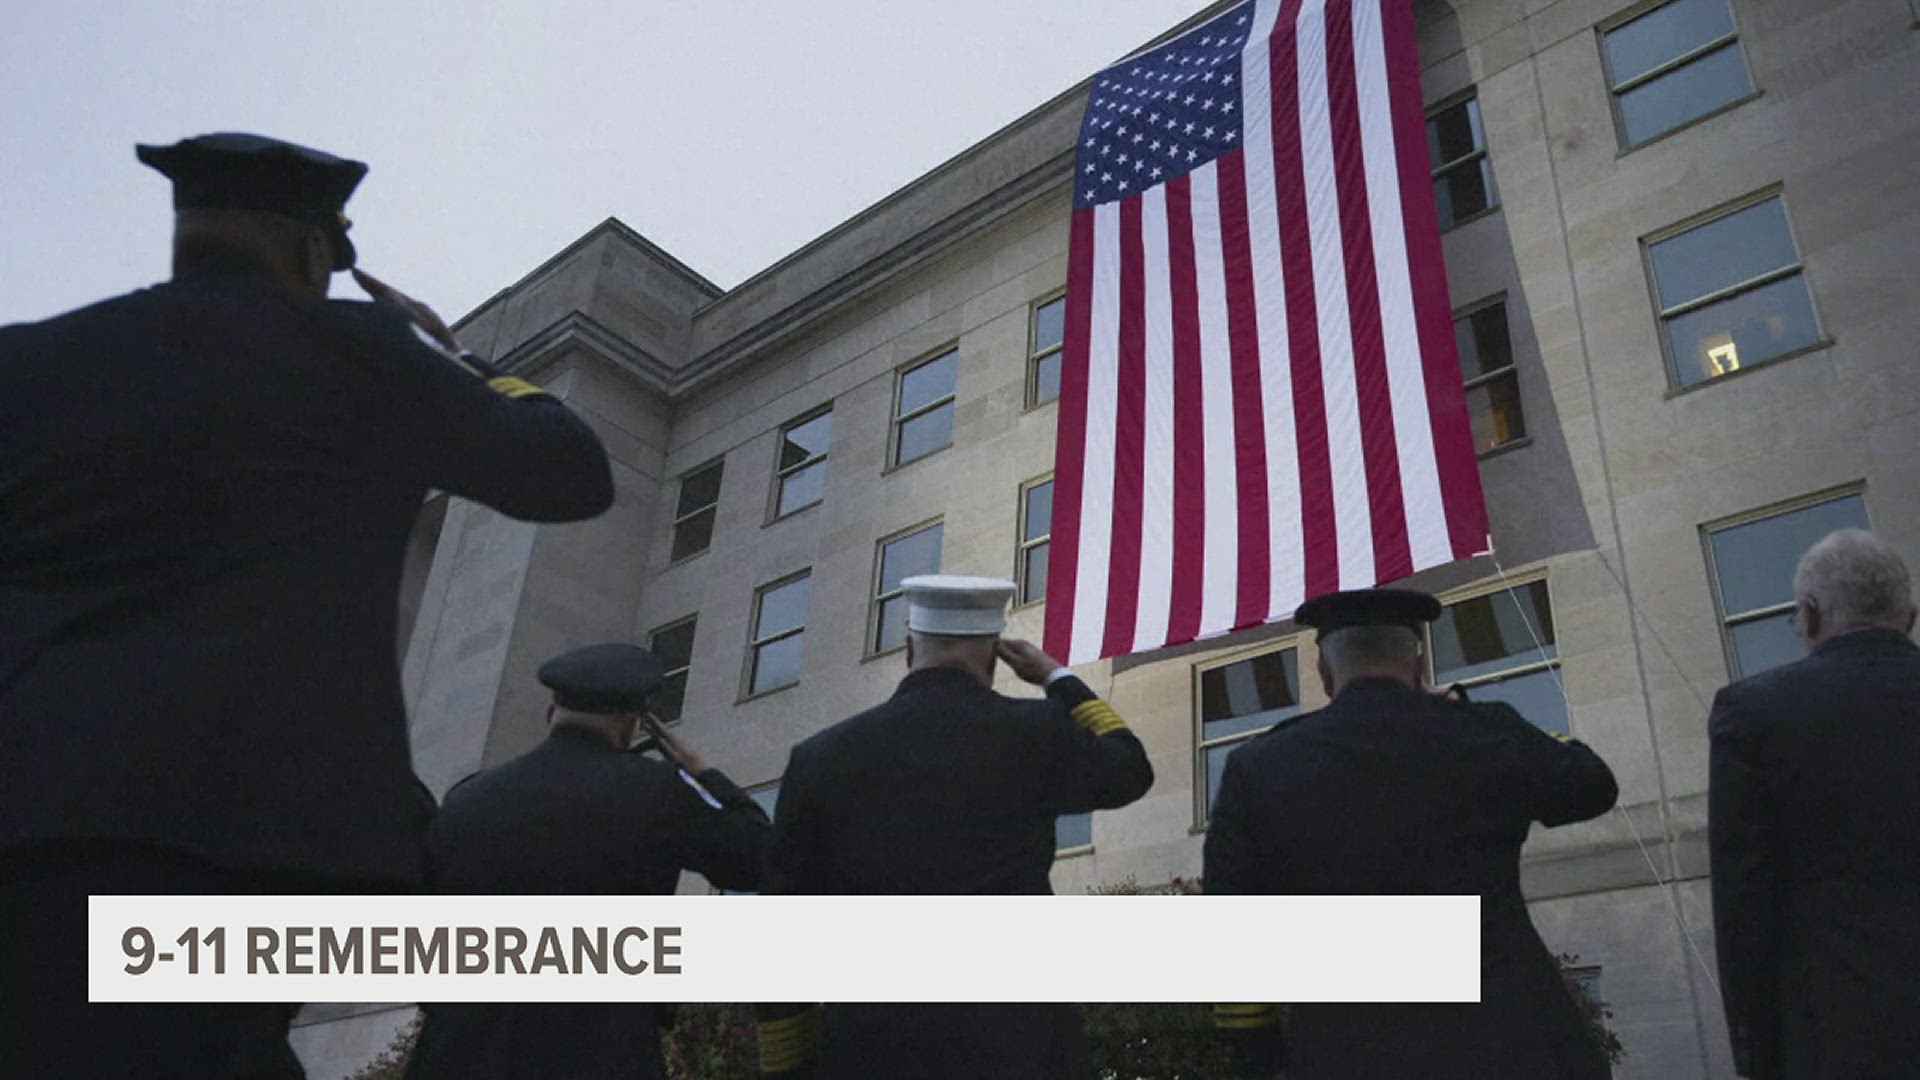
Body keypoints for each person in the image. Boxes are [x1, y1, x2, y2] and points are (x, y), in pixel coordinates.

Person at [0, 133, 613, 1078]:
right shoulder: (362, 355)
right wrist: (462, 360)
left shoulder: (29, 363)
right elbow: (569, 472)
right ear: (310, 247)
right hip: (244, 833)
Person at [1203, 588, 1618, 1080]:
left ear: (1325, 674)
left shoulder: (1257, 766)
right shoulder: (1491, 733)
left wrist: (1259, 1052)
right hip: (1509, 1039)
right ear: (1419, 667)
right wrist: (1473, 713)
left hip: (1346, 1046)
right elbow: (1591, 784)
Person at [756, 575, 1154, 1080]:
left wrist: (789, 1062)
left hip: (872, 1044)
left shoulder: (819, 758)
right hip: (1021, 1042)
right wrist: (1058, 679)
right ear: (993, 659)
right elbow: (1130, 770)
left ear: (908, 649)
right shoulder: (1037, 731)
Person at [406, 643, 771, 1080]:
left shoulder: (465, 799)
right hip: (599, 1047)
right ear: (632, 724)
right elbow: (757, 859)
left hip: (459, 1050)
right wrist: (704, 773)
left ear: (551, 712)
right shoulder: (654, 791)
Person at [1709, 528, 1920, 1079]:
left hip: (1841, 1035)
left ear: (1808, 612)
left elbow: (1745, 903)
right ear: (1911, 616)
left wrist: (1757, 1056)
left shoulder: (1756, 713)